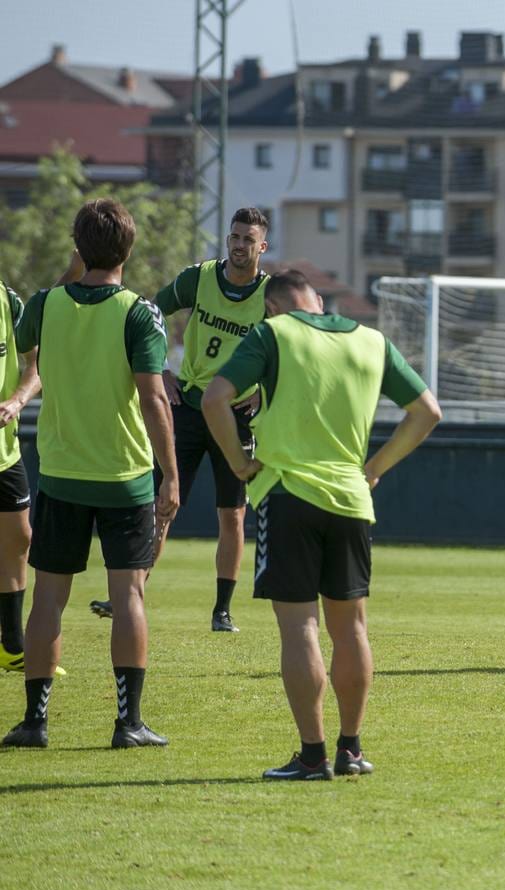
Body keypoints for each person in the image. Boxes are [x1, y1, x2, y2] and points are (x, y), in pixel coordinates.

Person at [202, 269, 440, 780]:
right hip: (352, 500)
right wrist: (374, 469)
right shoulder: (372, 340)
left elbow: (213, 398)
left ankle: (312, 756)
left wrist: (240, 464)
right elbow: (427, 411)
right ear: (317, 299)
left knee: (299, 627)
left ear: (273, 307)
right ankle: (350, 750)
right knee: (351, 628)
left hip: (289, 496)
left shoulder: (273, 333)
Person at [3, 199, 180, 750]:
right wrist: (170, 477)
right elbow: (153, 398)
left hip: (59, 474)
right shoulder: (139, 312)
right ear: (129, 250)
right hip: (124, 474)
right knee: (127, 596)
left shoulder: (45, 303)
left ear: (78, 249)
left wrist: (69, 271)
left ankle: (35, 722)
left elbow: (31, 333)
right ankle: (128, 723)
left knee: (49, 598)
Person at [90, 207, 270, 633]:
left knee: (232, 515)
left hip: (234, 416)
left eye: (249, 239)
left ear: (262, 246)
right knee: (164, 504)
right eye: (235, 236)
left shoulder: (270, 294)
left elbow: (289, 348)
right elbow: (149, 314)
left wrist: (263, 390)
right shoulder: (199, 277)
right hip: (188, 406)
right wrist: (162, 372)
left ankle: (221, 611)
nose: (240, 245)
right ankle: (129, 596)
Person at [0, 274, 42, 674]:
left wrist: (17, 399)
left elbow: (36, 364)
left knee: (19, 540)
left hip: (5, 452)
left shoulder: (8, 302)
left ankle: (12, 647)